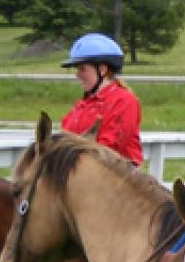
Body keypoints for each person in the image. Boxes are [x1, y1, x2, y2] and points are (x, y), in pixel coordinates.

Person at [61, 33, 143, 166]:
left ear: (102, 70)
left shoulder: (124, 101)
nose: (77, 75)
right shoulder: (83, 104)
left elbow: (108, 149)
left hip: (114, 174)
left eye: (82, 69)